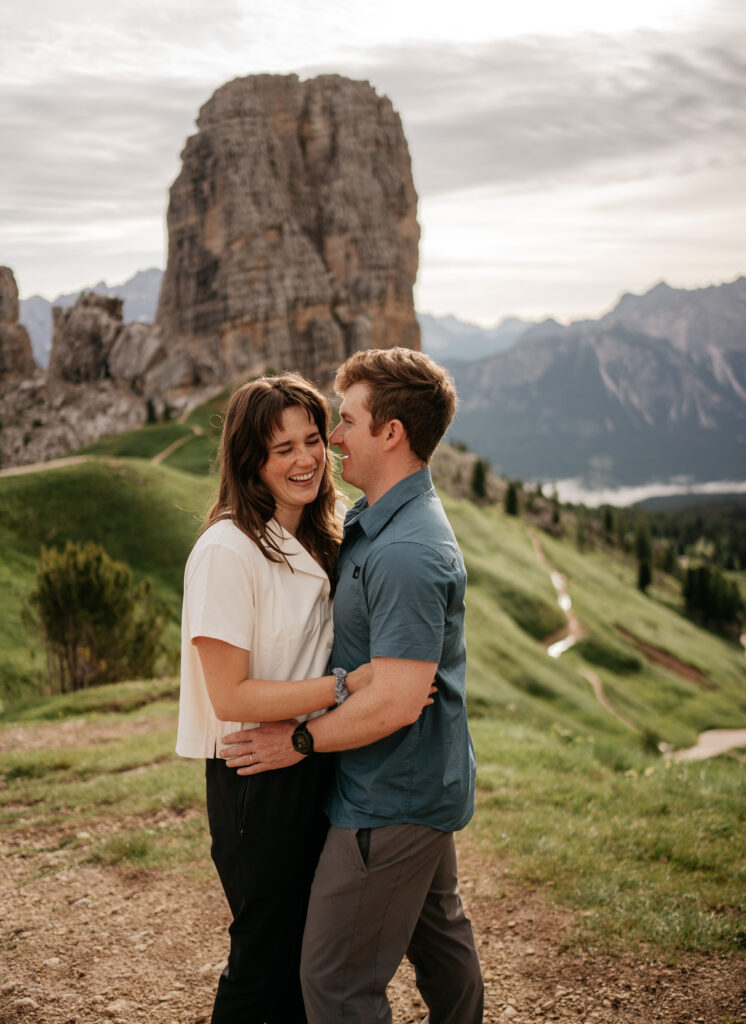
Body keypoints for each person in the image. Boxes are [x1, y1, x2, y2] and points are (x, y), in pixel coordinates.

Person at [222, 348, 485, 1024]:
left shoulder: (405, 550)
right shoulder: (381, 520)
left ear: (391, 432)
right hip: (419, 783)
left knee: (335, 981)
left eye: (345, 422)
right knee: (440, 938)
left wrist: (299, 741)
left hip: (388, 797)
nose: (334, 439)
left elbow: (397, 700)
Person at [176, 373, 376, 1024]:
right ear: (250, 461)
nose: (305, 459)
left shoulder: (324, 533)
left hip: (312, 759)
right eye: (281, 448)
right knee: (264, 960)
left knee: (307, 959)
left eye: (312, 439)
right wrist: (345, 687)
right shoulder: (226, 550)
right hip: (253, 776)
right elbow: (229, 692)